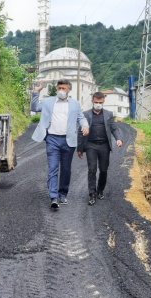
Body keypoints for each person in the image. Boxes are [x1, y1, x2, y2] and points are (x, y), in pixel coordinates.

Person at [31, 79, 89, 209]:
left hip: (68, 141)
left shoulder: (75, 104)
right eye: (59, 88)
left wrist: (85, 125)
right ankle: (53, 197)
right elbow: (34, 107)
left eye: (64, 88)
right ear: (57, 89)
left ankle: (62, 194)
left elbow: (81, 118)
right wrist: (36, 92)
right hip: (52, 139)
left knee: (66, 169)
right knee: (53, 168)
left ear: (69, 89)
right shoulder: (48, 102)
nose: (61, 90)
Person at [77, 92, 124, 205]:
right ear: (92, 101)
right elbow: (80, 131)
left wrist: (119, 138)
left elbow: (114, 128)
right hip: (90, 145)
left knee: (103, 170)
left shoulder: (108, 114)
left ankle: (100, 190)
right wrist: (79, 148)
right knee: (92, 169)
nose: (98, 104)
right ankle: (92, 194)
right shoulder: (86, 114)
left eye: (100, 102)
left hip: (104, 146)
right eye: (96, 102)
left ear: (103, 102)